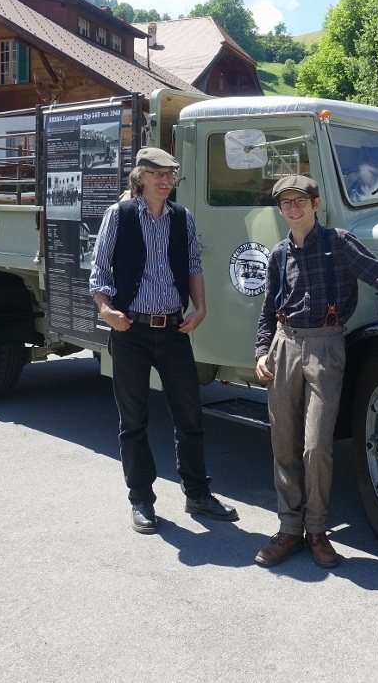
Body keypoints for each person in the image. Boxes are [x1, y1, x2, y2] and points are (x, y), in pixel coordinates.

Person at [253, 175, 378, 568]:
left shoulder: (338, 243)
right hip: (285, 346)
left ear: (315, 203)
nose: (293, 209)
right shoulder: (278, 254)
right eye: (286, 204)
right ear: (281, 210)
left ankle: (317, 529)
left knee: (316, 446)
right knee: (284, 443)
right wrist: (262, 351)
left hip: (326, 347)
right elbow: (266, 310)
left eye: (299, 202)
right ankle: (289, 529)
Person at [90, 147, 238, 534]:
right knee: (133, 422)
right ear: (141, 177)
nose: (166, 180)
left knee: (190, 416)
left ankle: (197, 494)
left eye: (171, 174)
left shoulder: (182, 218)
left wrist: (201, 307)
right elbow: (100, 269)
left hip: (173, 330)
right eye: (158, 174)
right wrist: (106, 311)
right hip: (131, 331)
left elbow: (193, 265)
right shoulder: (119, 215)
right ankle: (141, 500)